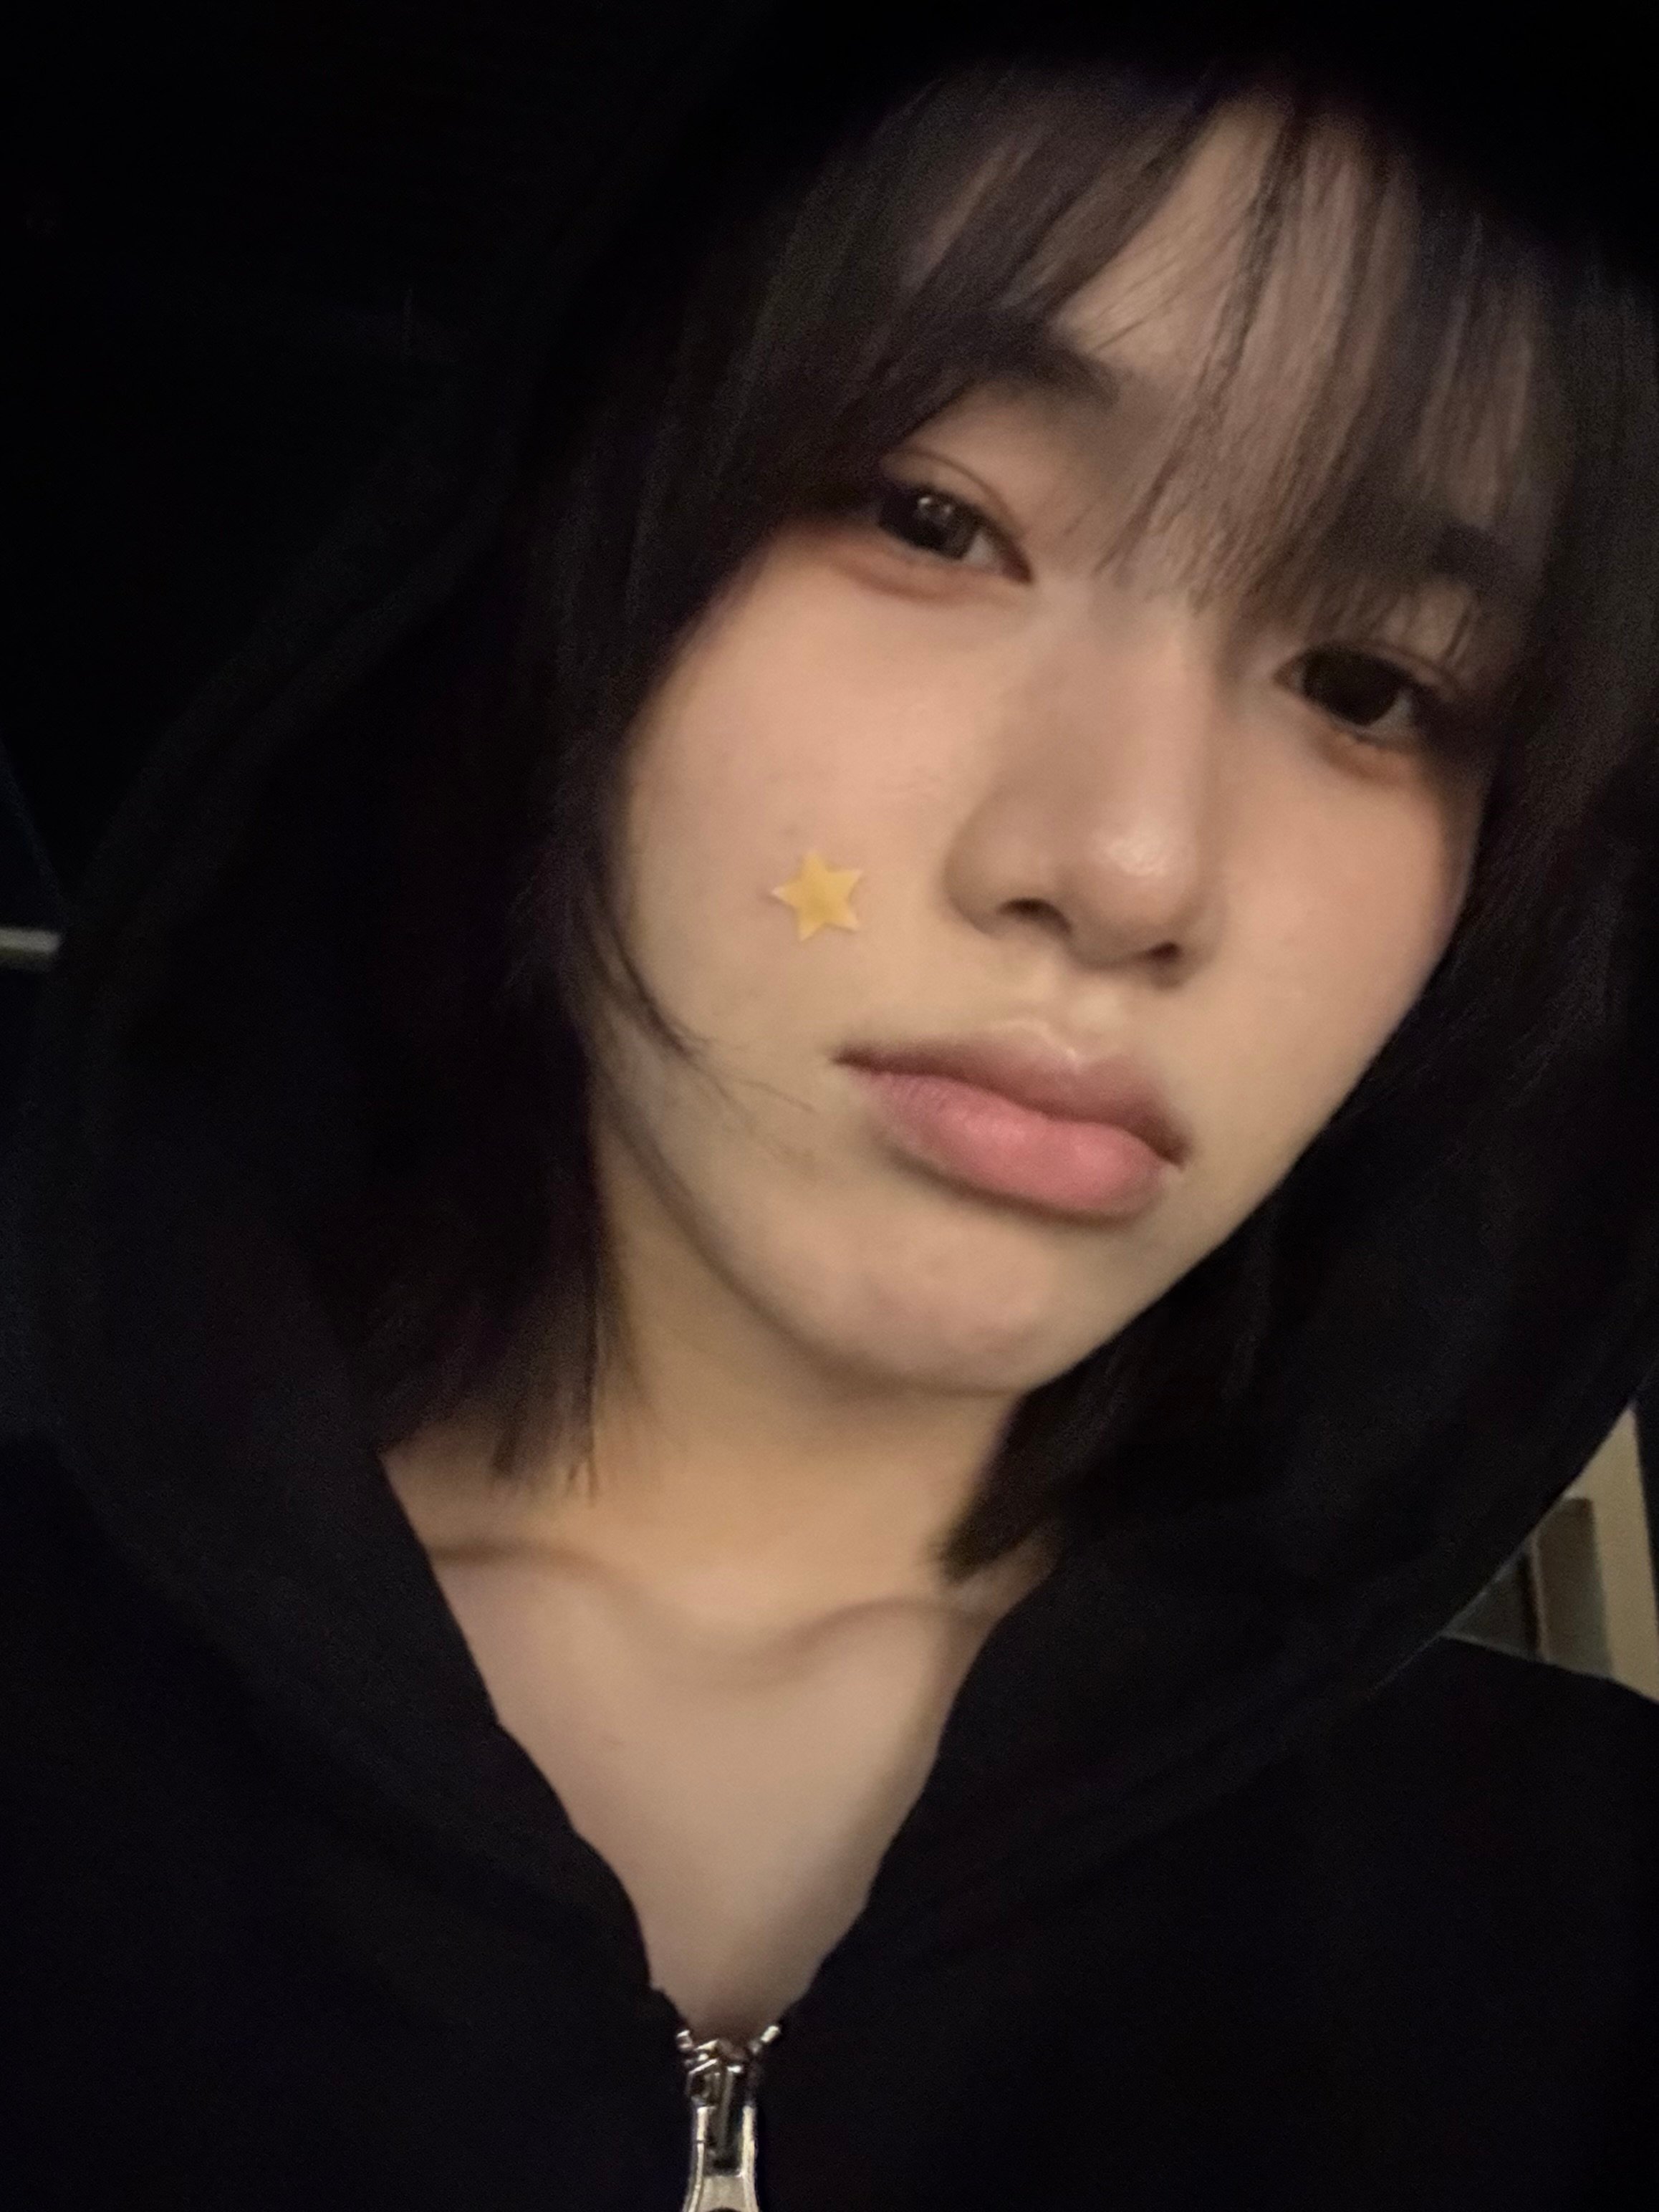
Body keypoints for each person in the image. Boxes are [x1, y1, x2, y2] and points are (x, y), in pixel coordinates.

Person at [6, 9, 1659, 2206]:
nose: (1127, 865)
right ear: (550, 569)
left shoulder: (1575, 1938)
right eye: (933, 520)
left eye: (1369, 686)